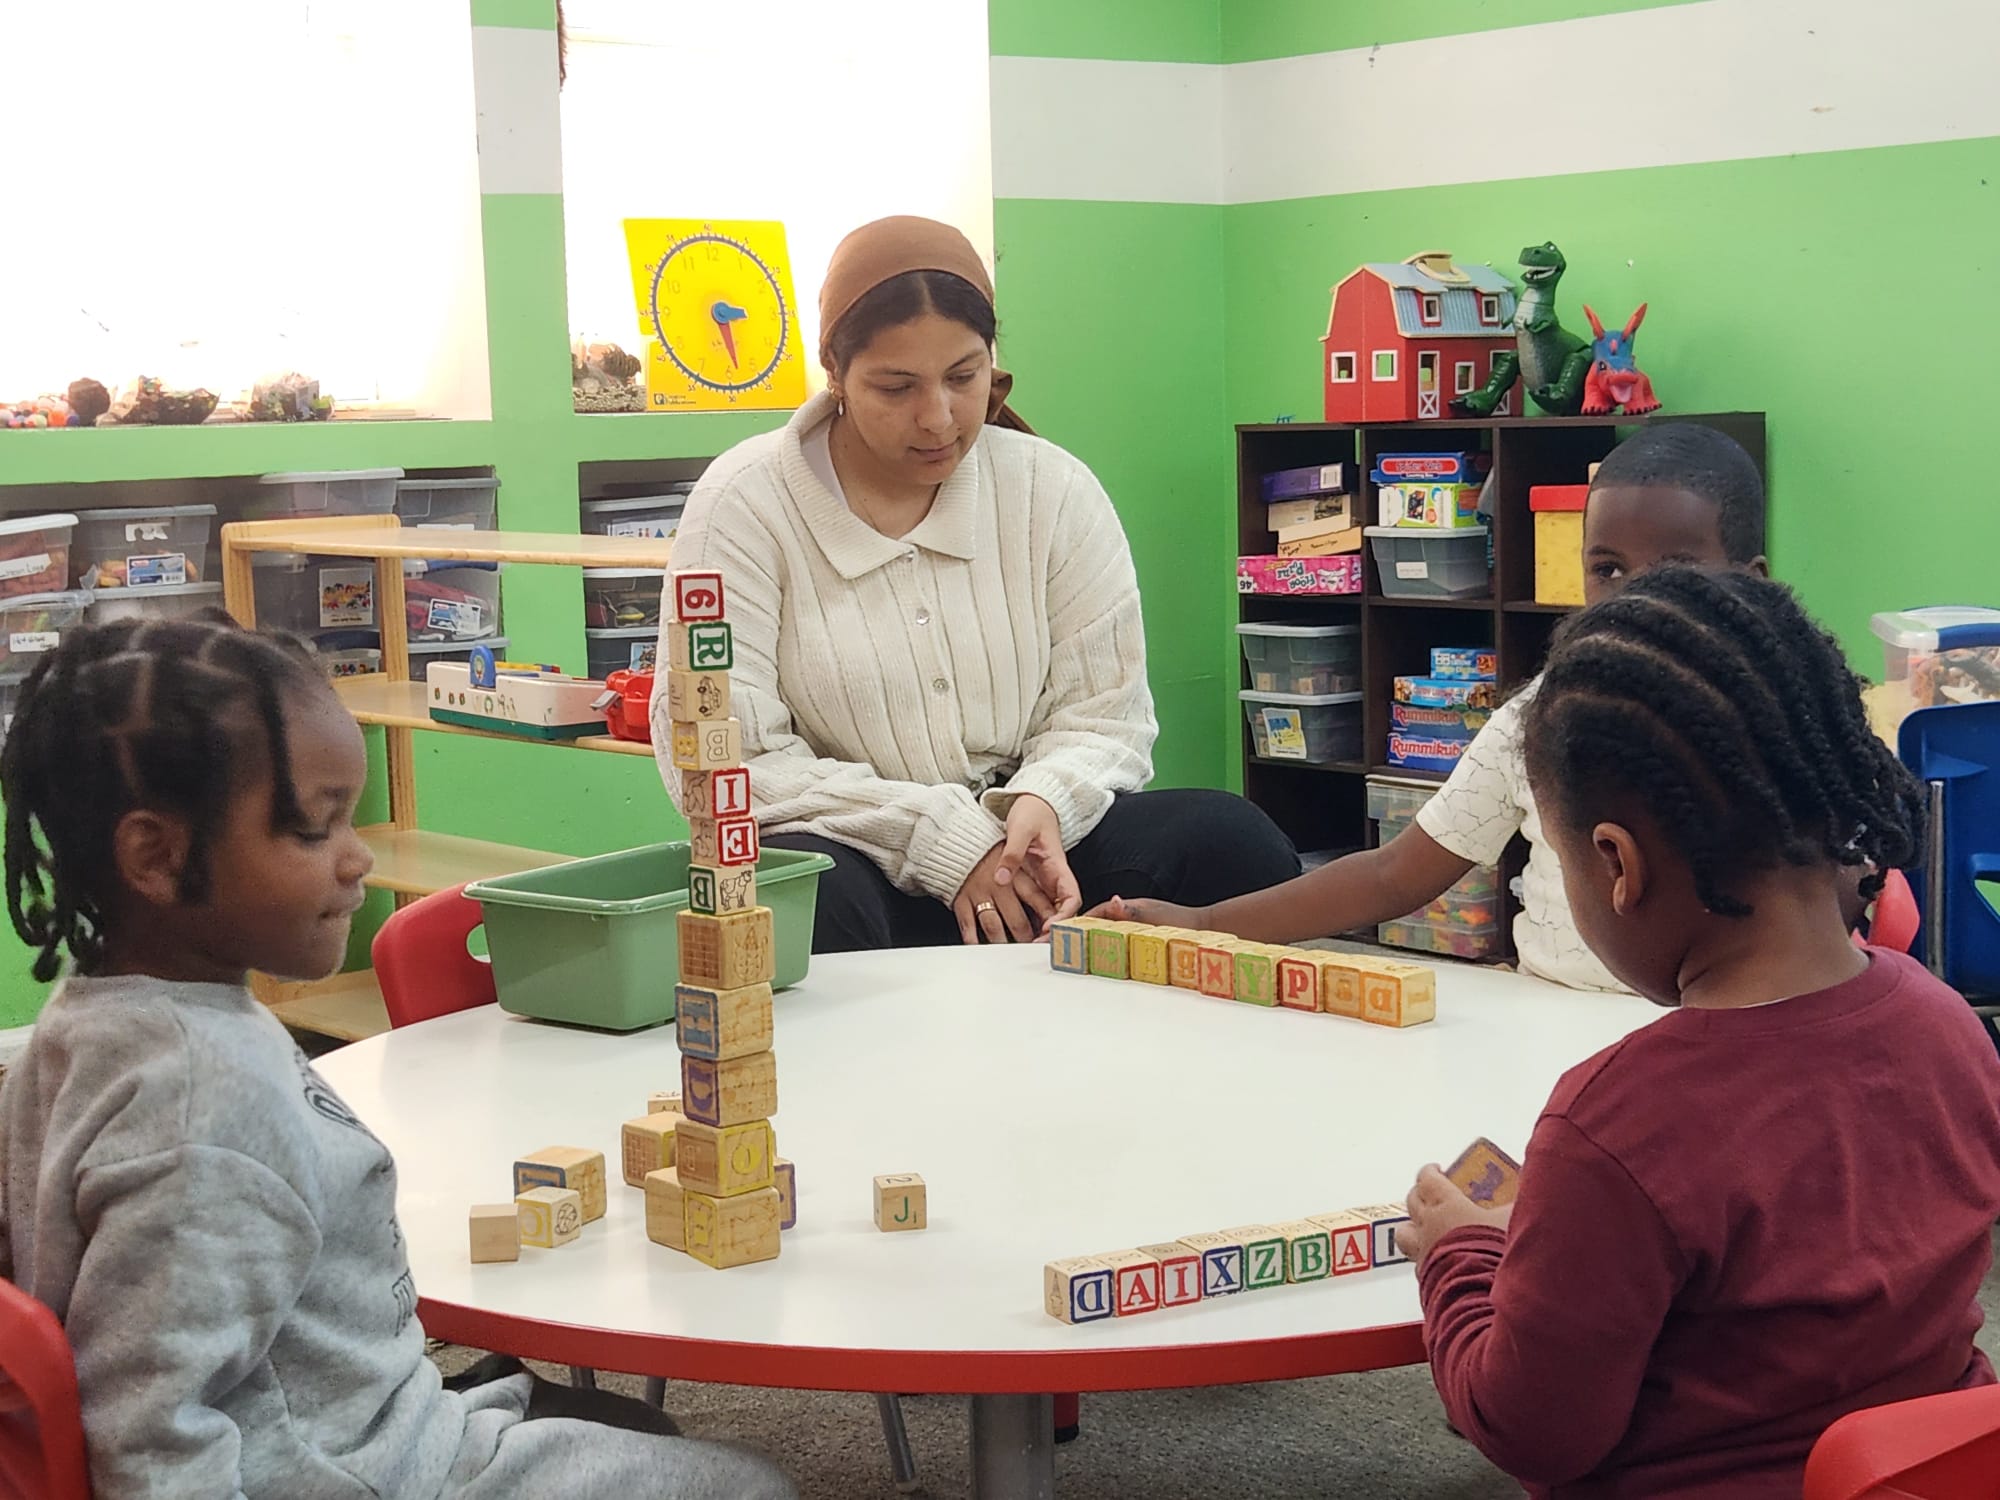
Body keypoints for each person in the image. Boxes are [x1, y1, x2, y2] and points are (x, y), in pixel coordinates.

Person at [0, 616, 794, 1500]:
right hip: (373, 1468)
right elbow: (150, 1439)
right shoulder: (202, 1109)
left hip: (353, 1414)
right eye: (315, 829)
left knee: (632, 1432)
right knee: (751, 1485)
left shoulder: (85, 1020)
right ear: (157, 855)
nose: (359, 858)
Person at [1396, 568, 2000, 1498]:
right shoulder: (1950, 1027)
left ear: (1615, 865)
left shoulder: (1617, 1124)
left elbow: (1531, 1429)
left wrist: (1461, 1255)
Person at [658, 216, 1298, 951]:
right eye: (895, 387)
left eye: (964, 378)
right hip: (859, 857)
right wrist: (941, 838)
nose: (937, 418)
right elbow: (719, 760)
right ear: (834, 375)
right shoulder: (744, 505)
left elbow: (1106, 716)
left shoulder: (1050, 489)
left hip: (1033, 851)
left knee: (1234, 843)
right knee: (802, 901)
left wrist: (1043, 801)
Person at [1094, 422, 1769, 991]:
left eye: (1675, 568)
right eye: (1608, 569)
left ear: (1751, 582)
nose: (1632, 599)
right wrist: (1205, 924)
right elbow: (1395, 873)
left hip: (1705, 1040)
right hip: (1544, 1026)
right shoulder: (1542, 716)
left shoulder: (1790, 729)